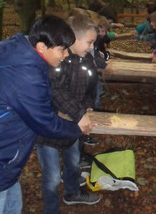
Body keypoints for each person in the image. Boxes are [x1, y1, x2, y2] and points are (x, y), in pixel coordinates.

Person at [0, 15, 90, 214]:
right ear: (42, 47)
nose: (66, 54)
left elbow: (38, 104)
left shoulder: (25, 61)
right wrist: (76, 129)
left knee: (14, 207)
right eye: (62, 49)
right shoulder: (25, 76)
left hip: (5, 159)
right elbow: (46, 124)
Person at [35, 14, 100, 214]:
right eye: (89, 42)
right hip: (49, 129)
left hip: (74, 125)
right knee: (52, 175)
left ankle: (72, 192)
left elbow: (91, 88)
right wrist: (79, 112)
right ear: (74, 38)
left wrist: (87, 106)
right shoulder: (57, 60)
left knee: (73, 161)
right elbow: (55, 92)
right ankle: (51, 208)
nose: (91, 47)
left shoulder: (87, 60)